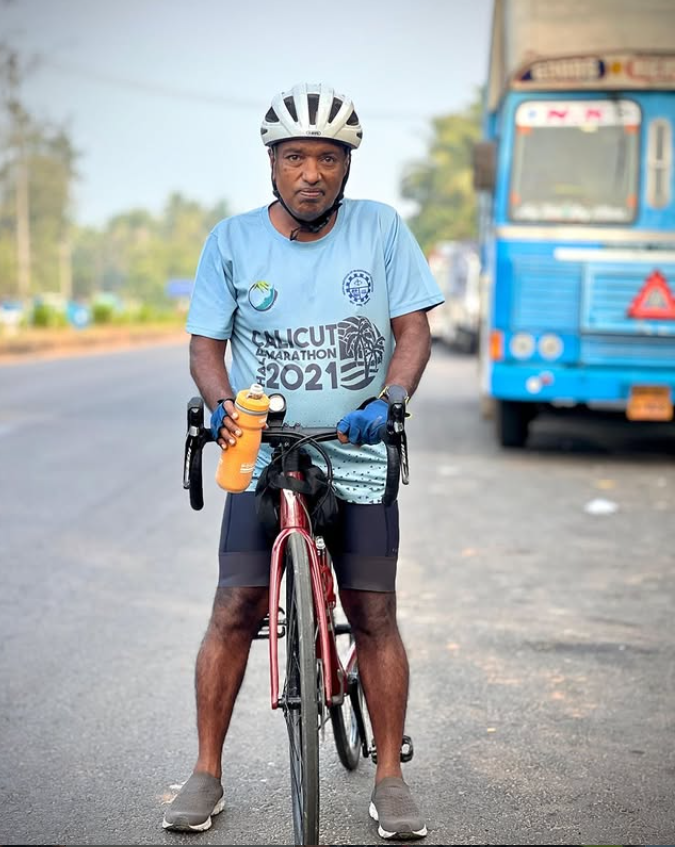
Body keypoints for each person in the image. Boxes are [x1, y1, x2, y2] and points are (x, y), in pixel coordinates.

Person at [163, 82, 443, 841]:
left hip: (357, 449)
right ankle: (205, 771)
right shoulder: (230, 241)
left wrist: (390, 398)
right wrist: (221, 404)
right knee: (233, 608)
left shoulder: (381, 230)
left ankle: (390, 779)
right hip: (263, 451)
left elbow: (413, 332)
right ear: (272, 163)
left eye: (327, 157)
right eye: (295, 157)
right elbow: (205, 348)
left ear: (347, 165)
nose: (311, 173)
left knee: (374, 614)